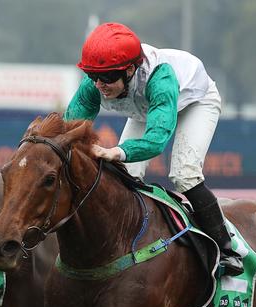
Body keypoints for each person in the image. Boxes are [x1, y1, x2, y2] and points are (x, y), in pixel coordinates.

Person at [63, 22, 243, 276]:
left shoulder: (161, 78)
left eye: (107, 77)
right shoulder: (95, 82)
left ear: (129, 70)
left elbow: (157, 140)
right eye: (93, 76)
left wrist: (117, 151)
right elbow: (69, 129)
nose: (99, 84)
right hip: (147, 107)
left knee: (184, 175)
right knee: (125, 176)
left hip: (195, 102)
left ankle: (227, 249)